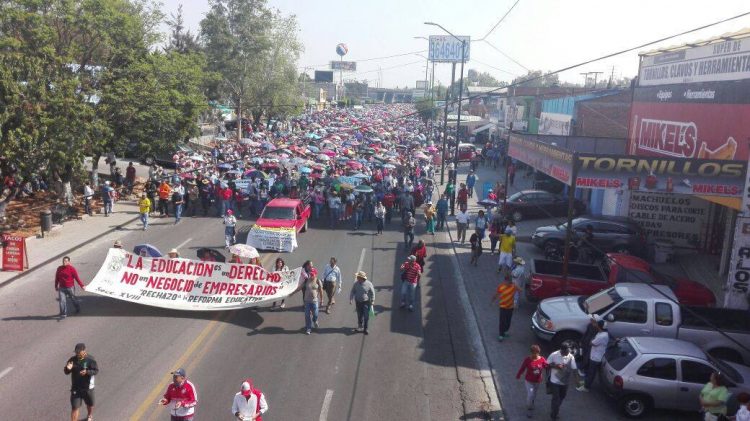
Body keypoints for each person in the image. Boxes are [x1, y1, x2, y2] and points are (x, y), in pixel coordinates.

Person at [64, 343, 98, 421]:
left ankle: (89, 415)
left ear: (84, 351)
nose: (77, 354)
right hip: (76, 388)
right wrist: (68, 368)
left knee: (90, 404)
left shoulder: (91, 359)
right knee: (75, 407)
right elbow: (66, 371)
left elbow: (96, 371)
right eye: (76, 352)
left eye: (79, 352)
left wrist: (87, 372)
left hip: (88, 387)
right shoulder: (72, 360)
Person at [577, 318, 609, 392]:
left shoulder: (602, 336)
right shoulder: (603, 333)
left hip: (595, 358)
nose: (596, 325)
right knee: (590, 371)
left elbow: (591, 343)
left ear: (600, 327)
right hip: (595, 355)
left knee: (591, 373)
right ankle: (586, 382)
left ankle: (586, 387)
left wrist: (592, 340)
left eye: (597, 324)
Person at [516, 344, 548, 418]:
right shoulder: (527, 360)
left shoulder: (542, 359)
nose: (536, 354)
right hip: (529, 381)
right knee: (530, 394)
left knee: (534, 394)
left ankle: (531, 403)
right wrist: (519, 374)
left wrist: (551, 366)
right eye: (534, 353)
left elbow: (546, 366)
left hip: (537, 381)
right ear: (531, 352)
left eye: (537, 353)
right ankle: (529, 409)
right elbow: (522, 368)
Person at [547, 345, 578, 420]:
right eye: (566, 352)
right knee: (556, 398)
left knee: (561, 397)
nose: (568, 354)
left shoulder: (571, 357)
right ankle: (554, 414)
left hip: (565, 382)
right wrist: (556, 366)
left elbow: (574, 369)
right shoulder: (554, 355)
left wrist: (578, 381)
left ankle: (555, 408)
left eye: (568, 352)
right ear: (562, 350)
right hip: (554, 381)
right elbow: (546, 364)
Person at [293, 261, 323, 335]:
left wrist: (322, 300)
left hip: (315, 301)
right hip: (307, 301)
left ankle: (315, 320)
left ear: (316, 274)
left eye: (313, 274)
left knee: (315, 314)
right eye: (311, 274)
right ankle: (308, 328)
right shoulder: (306, 280)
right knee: (307, 315)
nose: (312, 276)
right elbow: (299, 288)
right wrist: (292, 293)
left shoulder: (318, 281)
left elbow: (321, 291)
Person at [492, 274, 518, 341]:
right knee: (502, 321)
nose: (509, 283)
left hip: (510, 307)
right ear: (505, 281)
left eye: (510, 281)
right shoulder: (501, 287)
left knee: (508, 320)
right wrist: (493, 301)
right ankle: (501, 334)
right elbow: (496, 294)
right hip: (502, 307)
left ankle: (506, 331)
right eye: (509, 281)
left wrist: (515, 302)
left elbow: (519, 291)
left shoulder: (513, 286)